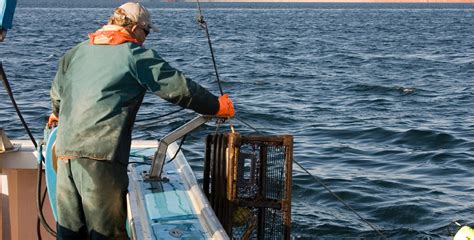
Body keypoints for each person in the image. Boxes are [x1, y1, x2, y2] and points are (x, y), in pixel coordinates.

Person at [47, 2, 234, 239]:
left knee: (70, 232)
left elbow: (57, 95)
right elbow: (178, 88)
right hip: (101, 155)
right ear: (135, 28)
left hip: (64, 152)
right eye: (145, 32)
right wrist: (216, 105)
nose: (145, 39)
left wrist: (57, 112)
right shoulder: (134, 55)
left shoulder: (76, 52)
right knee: (106, 233)